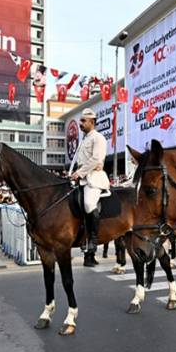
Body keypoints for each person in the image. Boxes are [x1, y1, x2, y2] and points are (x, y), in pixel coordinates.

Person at [70, 108, 109, 267]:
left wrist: (79, 172)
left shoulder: (98, 138)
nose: (80, 124)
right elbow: (77, 160)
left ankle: (93, 240)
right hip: (81, 178)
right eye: (80, 121)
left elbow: (96, 159)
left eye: (83, 121)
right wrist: (72, 172)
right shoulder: (84, 139)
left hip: (93, 179)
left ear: (92, 122)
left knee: (88, 204)